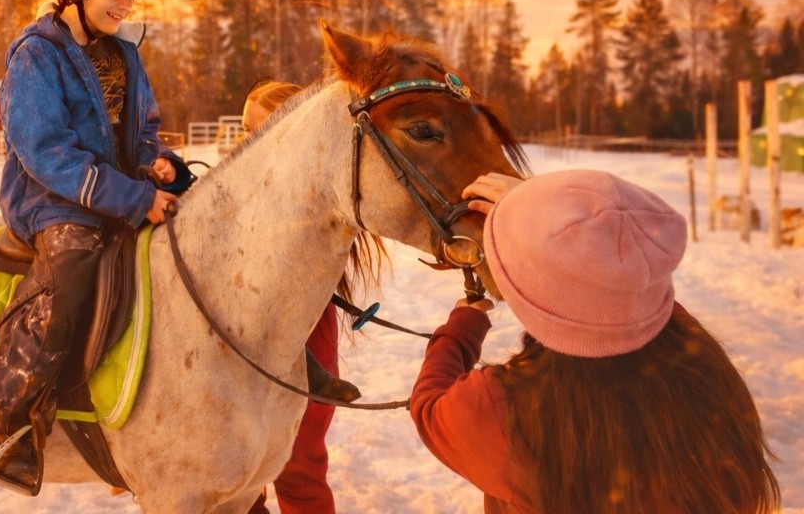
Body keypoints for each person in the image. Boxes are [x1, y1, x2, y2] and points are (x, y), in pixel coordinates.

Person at [0, 0, 194, 496]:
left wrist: (158, 162)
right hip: (50, 201)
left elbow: (140, 131)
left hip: (115, 192)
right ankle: (6, 421)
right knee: (71, 269)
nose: (128, 5)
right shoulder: (35, 54)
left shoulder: (126, 55)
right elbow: (47, 153)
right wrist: (131, 195)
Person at [411, 169, 781, 514]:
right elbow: (635, 291)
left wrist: (465, 323)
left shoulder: (505, 409)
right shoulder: (701, 363)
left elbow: (429, 407)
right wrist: (542, 209)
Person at [242, 79, 360, 514]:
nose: (247, 142)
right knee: (239, 470)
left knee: (299, 463)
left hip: (305, 334)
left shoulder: (315, 191)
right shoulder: (239, 186)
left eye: (261, 129)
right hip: (248, 343)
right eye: (243, 130)